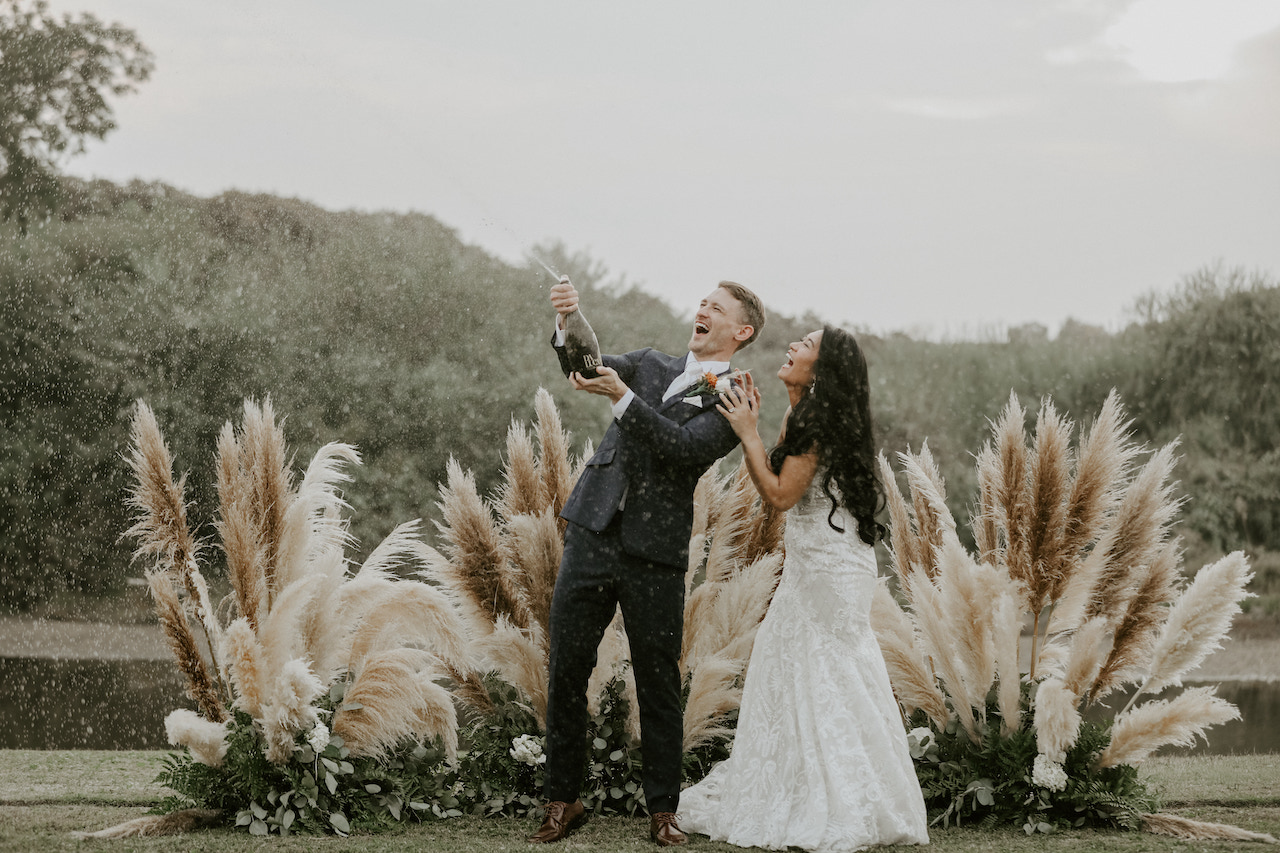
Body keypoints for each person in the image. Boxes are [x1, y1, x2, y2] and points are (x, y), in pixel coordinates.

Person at [531, 277, 766, 847]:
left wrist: (622, 398)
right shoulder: (651, 362)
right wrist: (570, 321)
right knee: (566, 666)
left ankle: (663, 810)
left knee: (658, 679)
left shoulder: (735, 400)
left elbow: (682, 450)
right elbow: (587, 366)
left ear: (742, 331)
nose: (702, 309)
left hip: (655, 550)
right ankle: (564, 799)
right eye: (703, 302)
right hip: (593, 527)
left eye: (717, 307)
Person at [678, 326, 929, 852]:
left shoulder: (816, 420)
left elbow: (780, 495)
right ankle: (833, 789)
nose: (792, 345)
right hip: (821, 562)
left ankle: (840, 801)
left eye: (805, 345)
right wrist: (786, 405)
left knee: (823, 668)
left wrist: (747, 430)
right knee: (810, 665)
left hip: (827, 570)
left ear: (822, 368)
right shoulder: (813, 413)